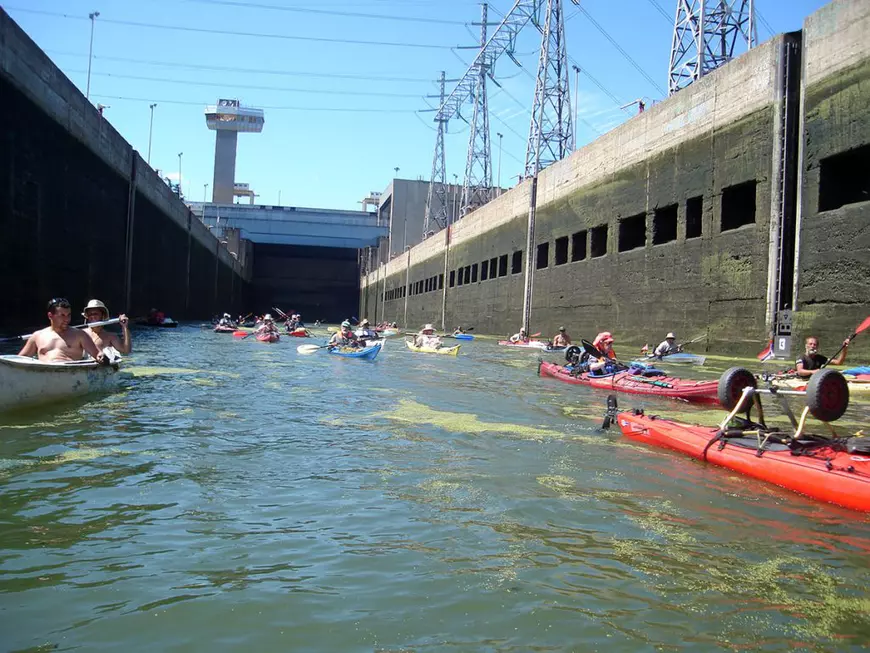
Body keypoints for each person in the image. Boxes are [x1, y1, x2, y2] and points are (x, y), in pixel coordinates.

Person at [18, 298, 105, 363]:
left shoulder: (80, 335)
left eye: (68, 315)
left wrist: (101, 357)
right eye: (62, 315)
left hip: (72, 373)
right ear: (50, 316)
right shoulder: (37, 336)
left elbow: (97, 353)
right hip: (44, 373)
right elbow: (19, 360)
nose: (66, 319)